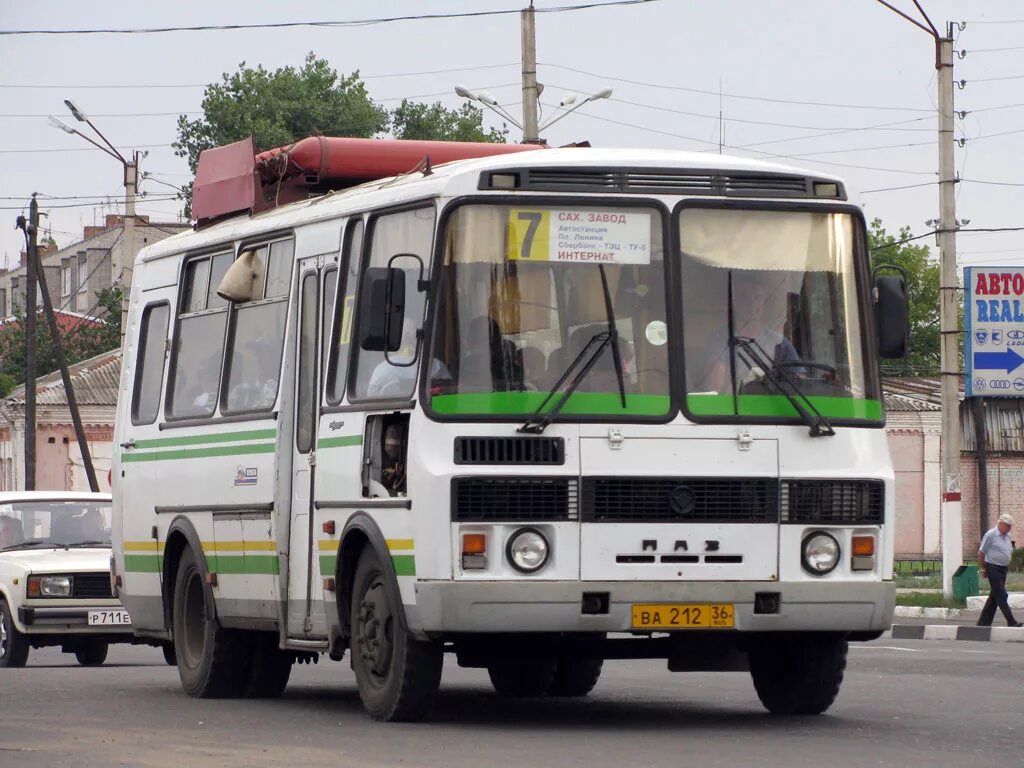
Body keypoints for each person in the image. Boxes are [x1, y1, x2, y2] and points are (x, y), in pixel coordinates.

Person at [704, 274, 799, 393]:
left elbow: (800, 383)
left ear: (764, 302)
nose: (752, 304)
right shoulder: (720, 341)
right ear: (735, 303)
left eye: (758, 298)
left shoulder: (780, 343)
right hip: (734, 408)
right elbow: (715, 389)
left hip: (773, 409)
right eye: (745, 298)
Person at [977, 513, 1022, 628]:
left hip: (1003, 569)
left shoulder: (1007, 536)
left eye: (1010, 526)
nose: (1009, 528)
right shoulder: (991, 535)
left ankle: (983, 623)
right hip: (992, 567)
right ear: (1000, 523)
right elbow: (981, 553)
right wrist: (983, 568)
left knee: (995, 596)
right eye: (1007, 526)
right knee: (1002, 595)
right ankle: (1011, 621)